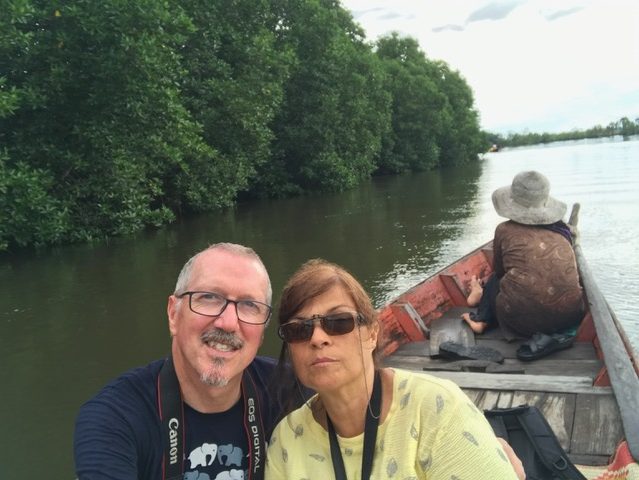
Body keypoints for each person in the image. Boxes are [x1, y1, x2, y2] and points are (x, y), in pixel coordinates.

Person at [265, 258, 523, 480]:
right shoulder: (286, 440)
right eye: (299, 329)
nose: (317, 338)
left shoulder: (436, 409)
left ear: (373, 333)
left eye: (339, 321)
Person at [74, 243, 279, 480]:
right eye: (209, 297)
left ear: (263, 331)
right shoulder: (115, 418)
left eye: (249, 305)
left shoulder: (288, 390)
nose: (229, 323)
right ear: (173, 314)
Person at [463, 171, 585, 359]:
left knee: (496, 279)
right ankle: (478, 298)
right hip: (569, 318)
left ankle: (481, 318)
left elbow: (500, 271)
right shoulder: (562, 231)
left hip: (521, 322)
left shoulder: (504, 230)